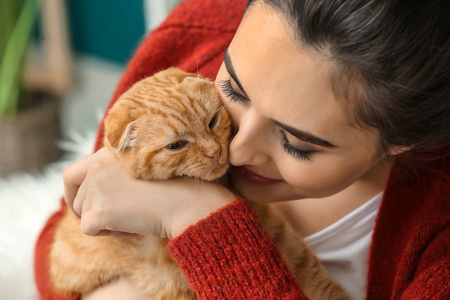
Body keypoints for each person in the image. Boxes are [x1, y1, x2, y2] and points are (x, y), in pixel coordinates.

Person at [35, 0, 450, 299]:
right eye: (233, 89)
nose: (233, 151)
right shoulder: (199, 42)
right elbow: (58, 247)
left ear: (400, 139)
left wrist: (199, 220)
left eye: (297, 143)